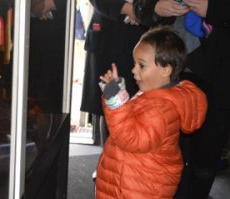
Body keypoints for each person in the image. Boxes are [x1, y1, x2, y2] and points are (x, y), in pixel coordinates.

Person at [95, 26, 207, 199]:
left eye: (141, 65)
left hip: (139, 189)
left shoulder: (161, 109)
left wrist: (115, 99)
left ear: (165, 70)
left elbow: (130, 137)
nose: (134, 70)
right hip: (130, 183)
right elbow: (132, 119)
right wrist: (118, 91)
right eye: (134, 64)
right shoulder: (154, 97)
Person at [80, 0, 188, 145]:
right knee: (111, 106)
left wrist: (147, 11)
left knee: (152, 112)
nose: (134, 71)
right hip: (110, 32)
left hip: (150, 38)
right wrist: (128, 9)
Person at [170, 0, 230, 198]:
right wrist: (153, 7)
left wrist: (214, 9)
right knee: (171, 154)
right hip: (172, 63)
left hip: (216, 69)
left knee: (205, 155)